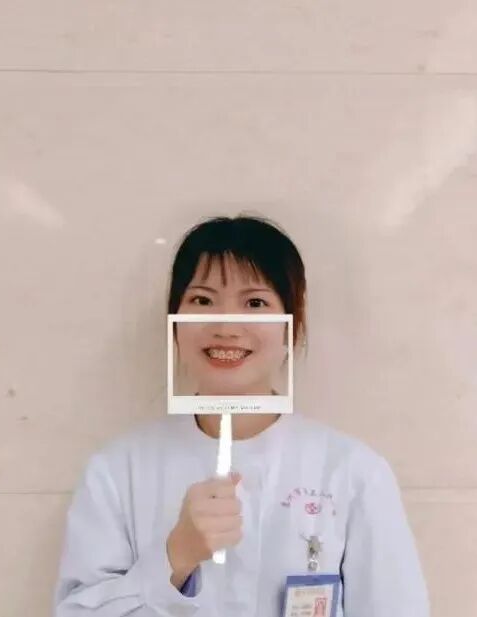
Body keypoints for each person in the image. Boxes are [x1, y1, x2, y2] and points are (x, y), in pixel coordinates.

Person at [53, 215, 430, 616]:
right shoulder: (116, 472)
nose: (226, 326)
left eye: (255, 303)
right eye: (202, 300)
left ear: (291, 326)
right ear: (174, 323)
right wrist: (175, 557)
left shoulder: (353, 473)